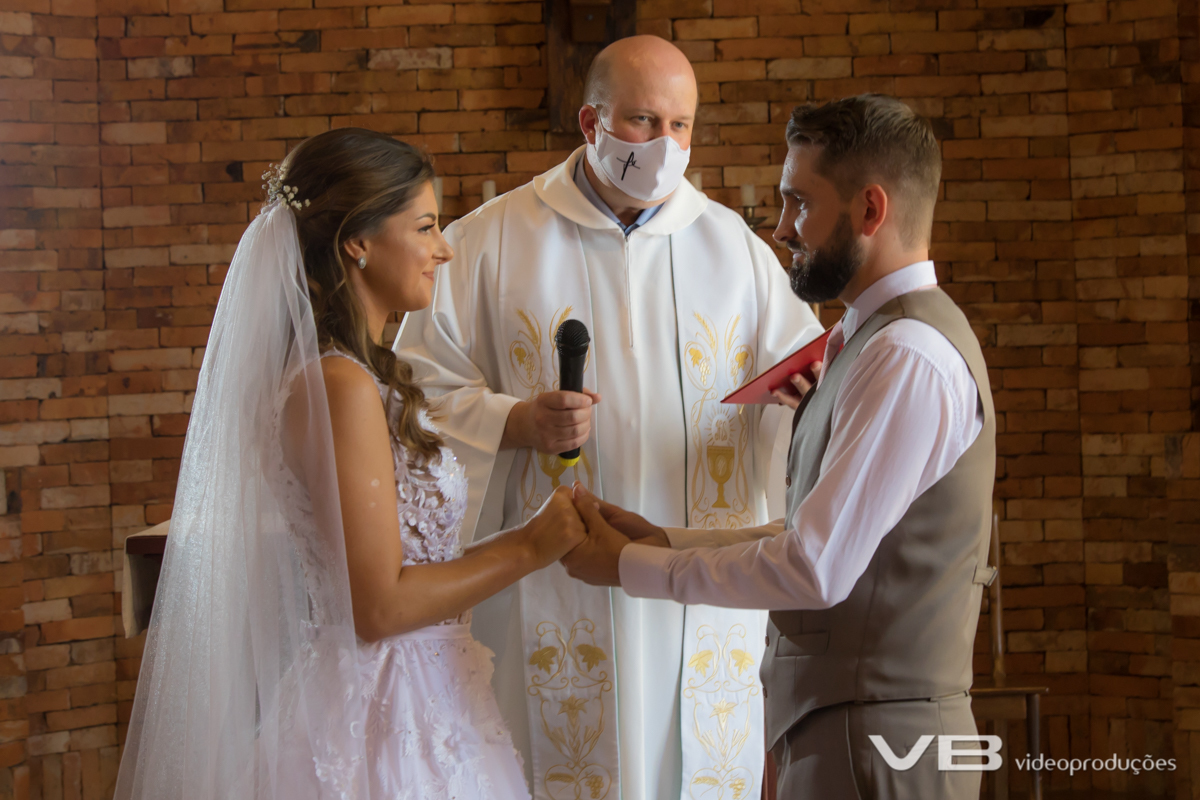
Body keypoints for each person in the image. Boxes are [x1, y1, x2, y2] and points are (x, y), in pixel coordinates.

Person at [395, 34, 822, 800]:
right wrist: (514, 421)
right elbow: (414, 389)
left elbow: (806, 384)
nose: (664, 145)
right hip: (553, 580)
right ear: (591, 122)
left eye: (681, 125)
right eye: (643, 121)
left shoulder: (735, 250)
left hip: (692, 585)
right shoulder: (491, 240)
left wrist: (809, 397)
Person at [114, 128, 586, 800]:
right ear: (356, 241)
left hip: (425, 695)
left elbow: (407, 564)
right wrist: (529, 547)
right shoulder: (338, 386)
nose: (443, 248)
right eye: (424, 227)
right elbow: (379, 607)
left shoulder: (360, 377)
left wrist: (534, 533)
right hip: (381, 712)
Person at [562, 94, 997, 799]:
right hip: (845, 728)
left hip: (879, 747)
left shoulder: (907, 354)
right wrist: (663, 540)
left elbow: (814, 568)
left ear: (870, 210)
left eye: (800, 202)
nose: (782, 227)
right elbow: (815, 534)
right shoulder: (868, 339)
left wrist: (627, 567)